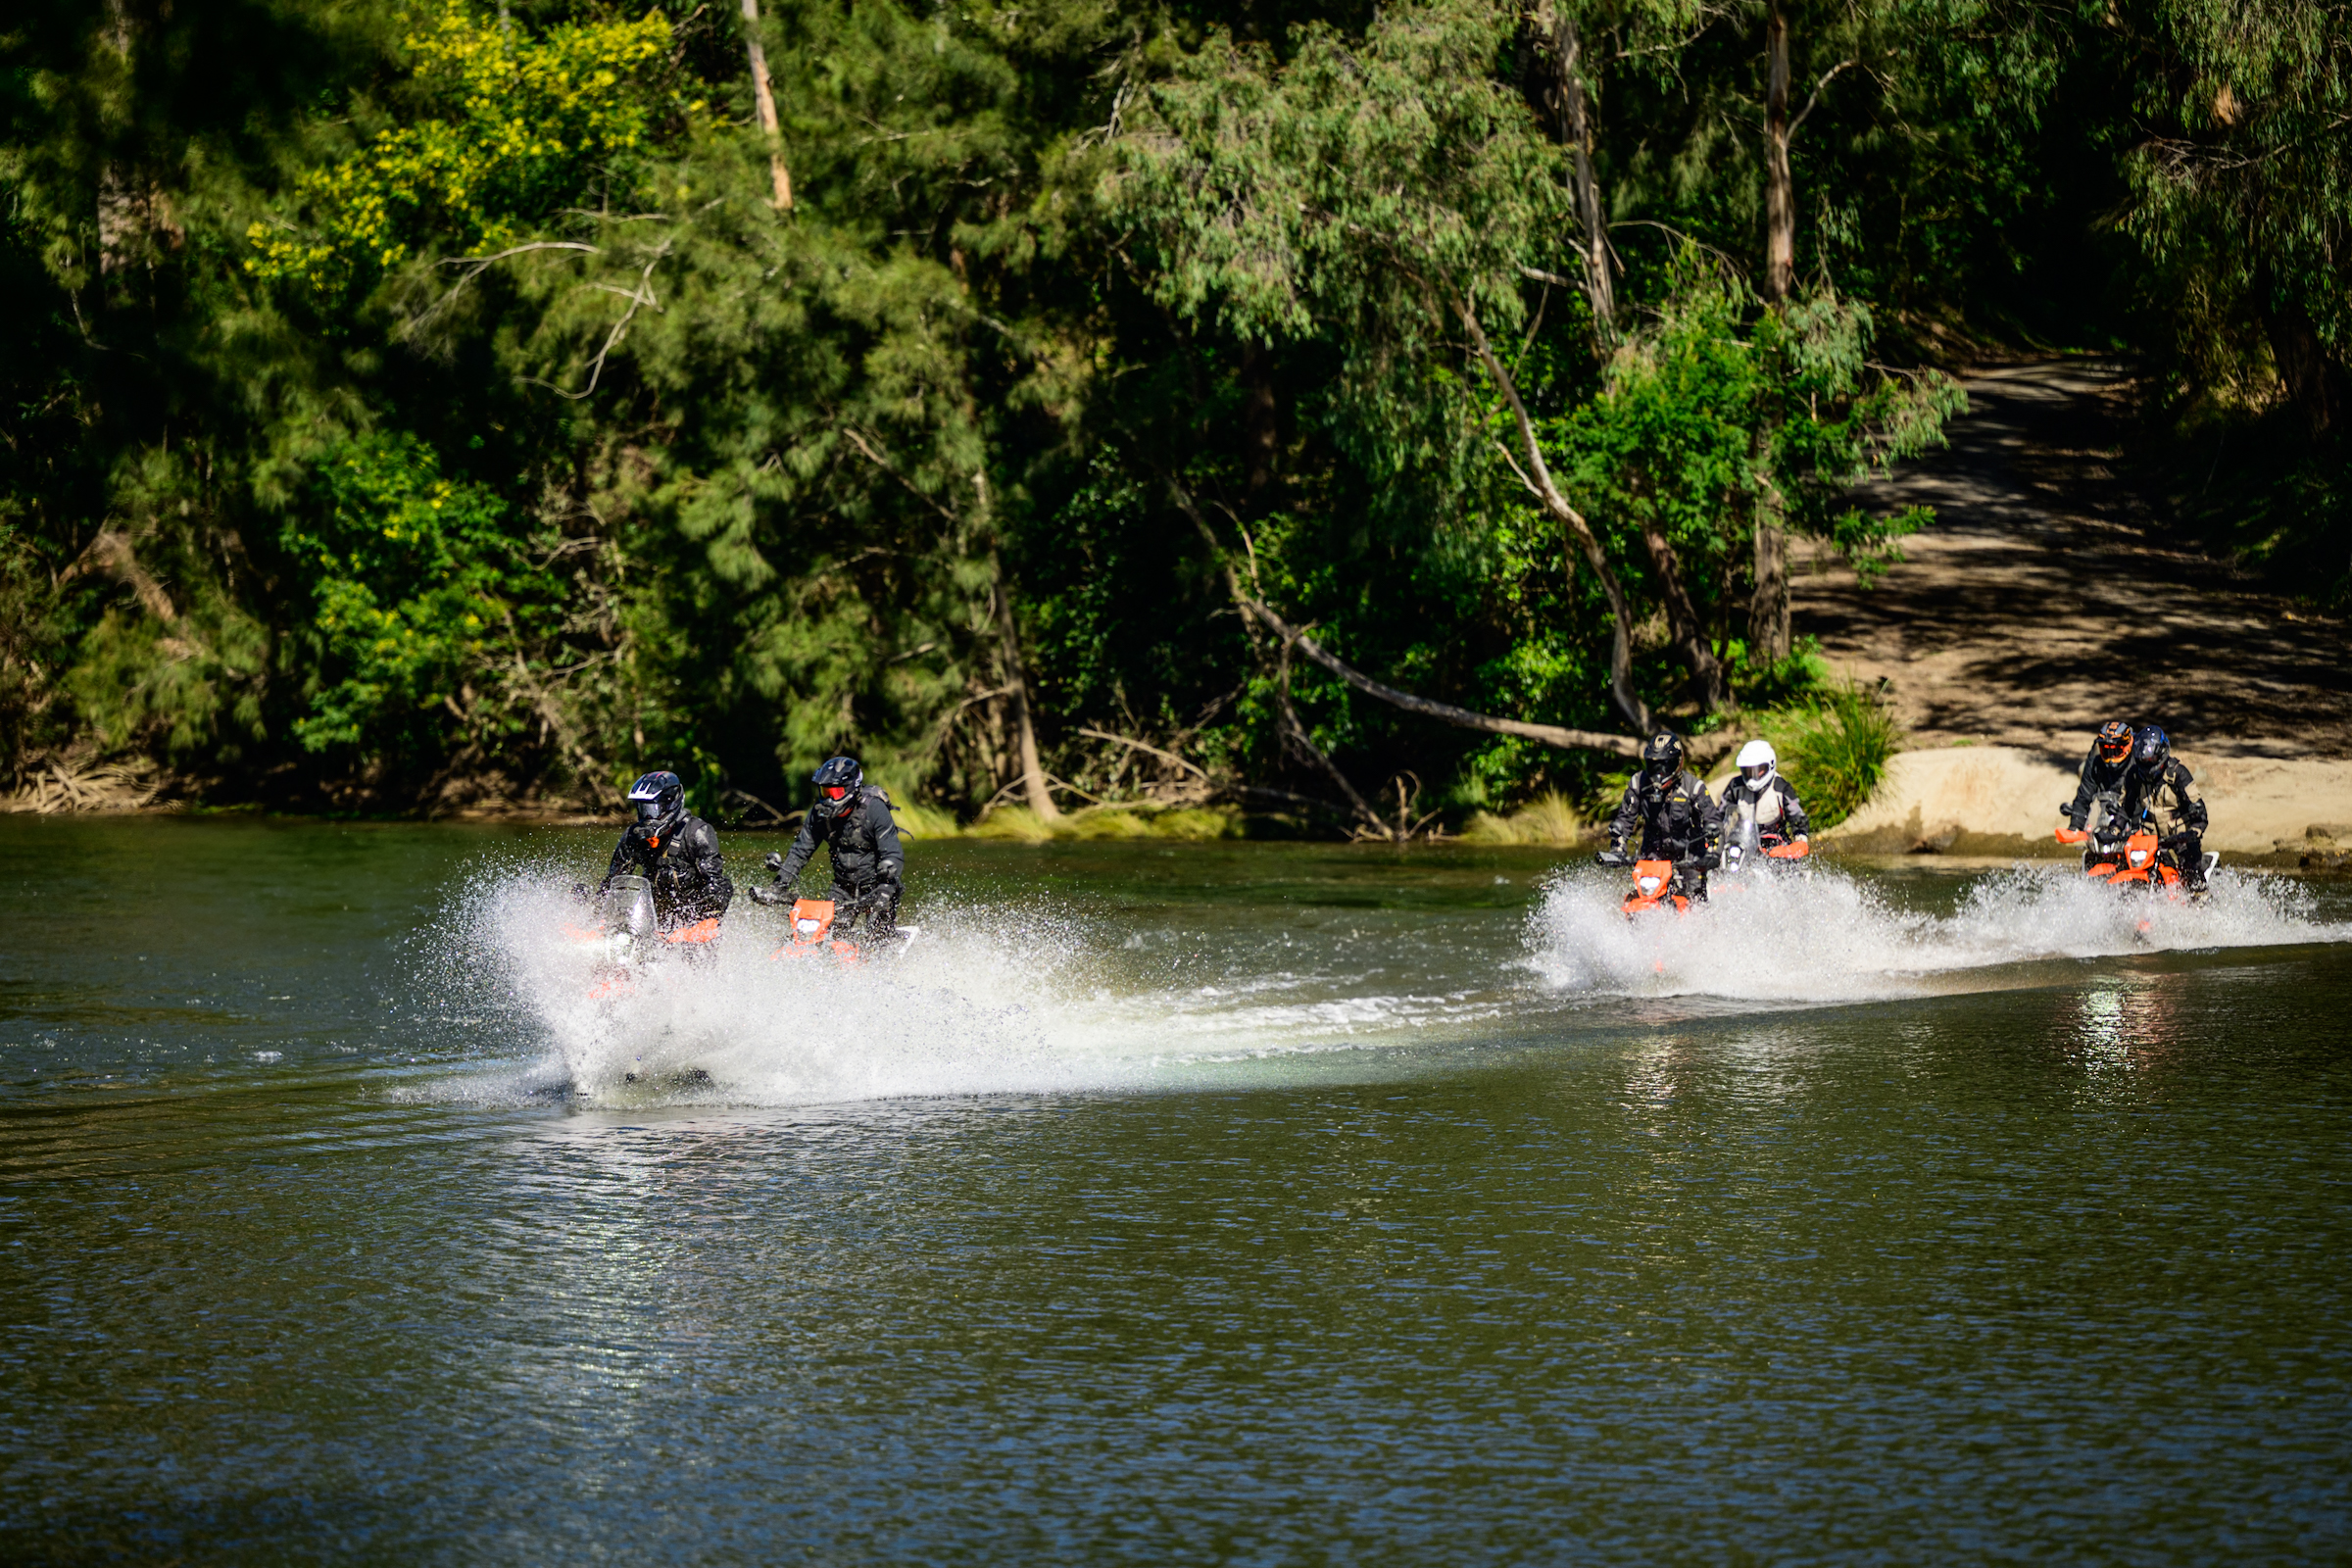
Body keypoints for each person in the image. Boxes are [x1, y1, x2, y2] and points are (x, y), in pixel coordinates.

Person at [753, 756, 906, 934]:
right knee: (826, 935)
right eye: (825, 792)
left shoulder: (874, 809)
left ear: (852, 788)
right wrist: (778, 886)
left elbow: (893, 853)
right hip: (842, 888)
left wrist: (886, 888)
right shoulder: (819, 815)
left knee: (877, 934)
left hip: (878, 887)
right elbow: (800, 851)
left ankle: (885, 940)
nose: (829, 799)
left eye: (836, 793)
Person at [602, 770, 735, 926]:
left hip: (694, 923)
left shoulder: (698, 833)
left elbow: (718, 886)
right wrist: (598, 920)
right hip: (653, 921)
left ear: (671, 804)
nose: (648, 818)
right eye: (643, 810)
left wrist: (702, 926)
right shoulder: (633, 836)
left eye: (653, 810)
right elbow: (611, 884)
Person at [1604, 732, 1722, 899]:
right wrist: (1618, 850)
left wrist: (1713, 854)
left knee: (1695, 899)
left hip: (1689, 858)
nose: (1659, 773)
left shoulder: (1694, 788)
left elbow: (1714, 822)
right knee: (1640, 897)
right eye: (1654, 766)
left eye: (1665, 766)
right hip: (1653, 856)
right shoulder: (1638, 784)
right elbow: (1624, 820)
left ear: (1678, 762)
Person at [2118, 724, 2211, 893]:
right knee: (2125, 866)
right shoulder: (2134, 775)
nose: (2147, 764)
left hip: (2180, 839)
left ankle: (2202, 899)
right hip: (2150, 840)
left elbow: (2200, 812)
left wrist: (2194, 831)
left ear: (2161, 754)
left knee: (2193, 877)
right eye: (2143, 760)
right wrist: (2114, 829)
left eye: (2150, 759)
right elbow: (2125, 809)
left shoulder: (2178, 774)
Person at [1716, 739, 1812, 857]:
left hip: (1775, 847)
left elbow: (1797, 817)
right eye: (1748, 771)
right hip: (1743, 845)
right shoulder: (1735, 786)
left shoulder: (1781, 788)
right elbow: (1719, 815)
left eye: (1758, 770)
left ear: (1770, 765)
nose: (1753, 775)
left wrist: (1800, 841)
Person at [2062, 718, 2142, 836]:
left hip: (2133, 819)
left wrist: (2137, 829)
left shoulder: (2139, 762)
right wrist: (2075, 825)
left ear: (2128, 747)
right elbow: (2084, 795)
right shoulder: (2094, 762)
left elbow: (2143, 799)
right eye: (2106, 752)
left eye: (2116, 751)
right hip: (2102, 820)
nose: (2111, 758)